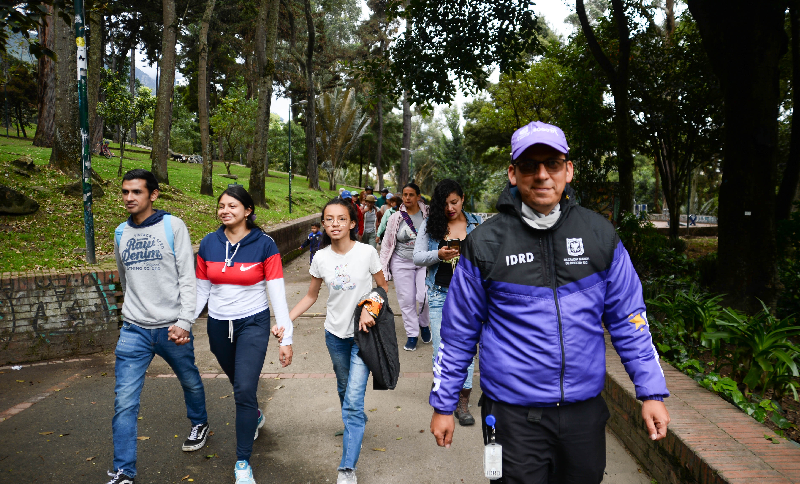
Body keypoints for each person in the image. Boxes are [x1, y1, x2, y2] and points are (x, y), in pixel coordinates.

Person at [429, 121, 671, 484]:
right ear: (513, 174)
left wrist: (651, 392)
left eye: (552, 164)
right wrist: (444, 403)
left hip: (583, 415)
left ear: (568, 170)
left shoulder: (599, 235)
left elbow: (629, 320)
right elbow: (458, 332)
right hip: (510, 417)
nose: (542, 174)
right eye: (529, 165)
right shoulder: (485, 244)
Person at [108, 169, 208, 484]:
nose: (129, 198)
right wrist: (130, 313)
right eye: (125, 192)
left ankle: (200, 422)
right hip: (134, 330)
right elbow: (125, 279)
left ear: (153, 195)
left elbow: (187, 278)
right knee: (124, 402)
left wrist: (184, 321)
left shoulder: (172, 226)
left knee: (190, 381)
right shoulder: (120, 233)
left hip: (172, 328)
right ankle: (124, 471)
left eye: (136, 192)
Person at [195, 185, 294, 484]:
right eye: (221, 206)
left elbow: (277, 293)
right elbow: (201, 290)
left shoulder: (264, 244)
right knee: (241, 386)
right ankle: (255, 415)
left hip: (253, 323)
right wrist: (183, 322)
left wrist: (286, 337)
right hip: (217, 325)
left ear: (248, 210)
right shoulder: (208, 243)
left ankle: (242, 462)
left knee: (243, 389)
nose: (225, 210)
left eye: (232, 206)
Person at [286, 197, 388, 484]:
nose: (335, 224)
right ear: (323, 223)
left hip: (364, 336)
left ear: (352, 223)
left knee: (353, 400)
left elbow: (382, 286)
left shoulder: (367, 252)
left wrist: (370, 308)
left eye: (341, 219)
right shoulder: (320, 258)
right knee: (344, 388)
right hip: (334, 335)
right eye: (329, 219)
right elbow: (311, 296)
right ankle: (355, 422)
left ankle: (347, 468)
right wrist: (286, 319)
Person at [413, 179, 482, 426]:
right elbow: (417, 257)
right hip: (439, 294)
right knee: (441, 349)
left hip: (469, 297)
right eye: (445, 204)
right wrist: (438, 254)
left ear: (462, 198)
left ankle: (462, 401)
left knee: (466, 348)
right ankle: (445, 390)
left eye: (454, 202)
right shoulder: (431, 224)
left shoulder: (476, 224)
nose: (450, 208)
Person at [379, 183, 431, 351]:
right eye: (405, 194)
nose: (407, 198)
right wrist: (383, 270)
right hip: (401, 262)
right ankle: (412, 334)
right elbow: (387, 244)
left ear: (418, 196)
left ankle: (424, 324)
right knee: (407, 300)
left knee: (424, 297)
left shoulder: (428, 214)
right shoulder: (395, 217)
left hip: (423, 262)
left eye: (411, 194)